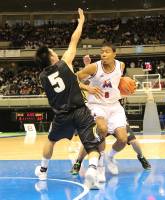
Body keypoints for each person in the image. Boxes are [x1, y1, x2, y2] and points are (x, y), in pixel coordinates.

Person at [34, 8, 103, 189]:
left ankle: (42, 170)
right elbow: (74, 40)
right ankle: (92, 171)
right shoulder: (65, 63)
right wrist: (81, 22)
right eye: (52, 51)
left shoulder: (41, 77)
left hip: (61, 115)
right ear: (51, 57)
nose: (55, 52)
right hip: (80, 111)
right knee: (91, 144)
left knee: (51, 140)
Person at [71, 46, 151, 181]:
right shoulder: (93, 68)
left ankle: (110, 156)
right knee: (101, 129)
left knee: (123, 139)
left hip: (115, 106)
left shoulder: (121, 65)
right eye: (101, 52)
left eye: (107, 51)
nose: (103, 54)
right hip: (97, 105)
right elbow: (74, 79)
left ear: (114, 53)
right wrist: (87, 87)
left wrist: (129, 87)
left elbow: (117, 82)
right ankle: (100, 165)